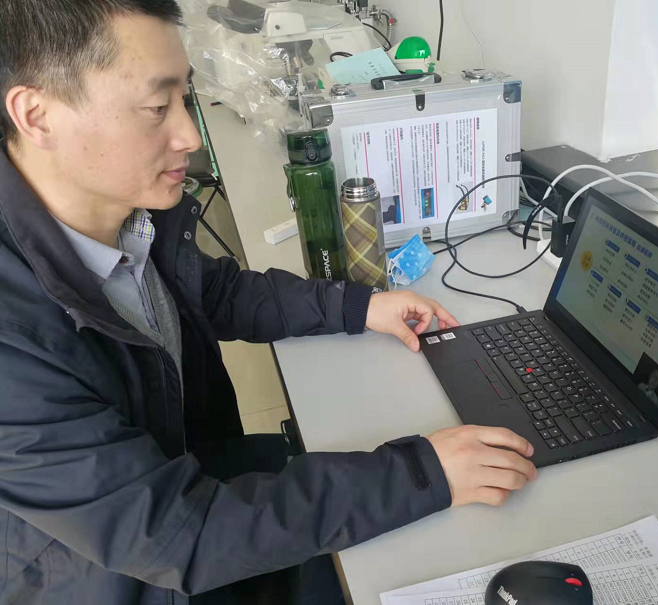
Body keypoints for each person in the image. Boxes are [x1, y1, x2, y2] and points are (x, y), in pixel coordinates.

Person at [0, 2, 538, 604]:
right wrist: (422, 473)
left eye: (185, 99)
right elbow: (178, 535)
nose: (189, 137)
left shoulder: (127, 214)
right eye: (156, 107)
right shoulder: (12, 343)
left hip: (193, 476)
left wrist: (355, 307)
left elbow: (215, 292)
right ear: (37, 115)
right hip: (126, 578)